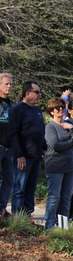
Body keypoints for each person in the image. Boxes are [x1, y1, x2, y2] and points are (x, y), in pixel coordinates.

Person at [44, 98, 73, 229]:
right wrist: (71, 143)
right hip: (55, 165)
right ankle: (49, 225)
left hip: (70, 166)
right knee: (54, 197)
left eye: (62, 107)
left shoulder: (68, 124)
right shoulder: (50, 127)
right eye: (57, 108)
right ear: (51, 112)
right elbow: (55, 145)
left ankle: (63, 227)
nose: (60, 109)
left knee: (66, 197)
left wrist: (72, 129)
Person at [9, 80, 45, 215]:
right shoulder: (17, 109)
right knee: (19, 189)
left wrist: (44, 149)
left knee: (30, 188)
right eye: (37, 92)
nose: (39, 95)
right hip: (23, 156)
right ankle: (18, 218)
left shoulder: (36, 110)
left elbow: (41, 130)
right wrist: (19, 155)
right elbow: (13, 133)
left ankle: (27, 216)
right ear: (28, 93)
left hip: (36, 155)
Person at [0, 73, 13, 218]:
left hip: (9, 147)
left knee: (9, 179)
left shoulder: (10, 104)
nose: (9, 86)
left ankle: (2, 209)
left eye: (10, 84)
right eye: (6, 84)